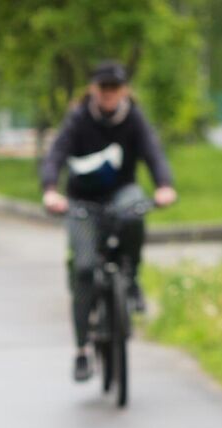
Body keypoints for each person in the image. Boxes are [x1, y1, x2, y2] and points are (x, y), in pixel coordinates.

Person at [39, 59, 179, 382]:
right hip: (82, 201)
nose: (109, 94)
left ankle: (131, 280)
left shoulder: (133, 118)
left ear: (124, 90)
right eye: (103, 88)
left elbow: (153, 153)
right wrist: (50, 190)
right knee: (85, 269)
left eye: (115, 88)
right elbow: (56, 155)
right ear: (93, 90)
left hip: (120, 194)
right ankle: (81, 351)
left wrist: (164, 186)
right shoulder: (78, 119)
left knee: (135, 211)